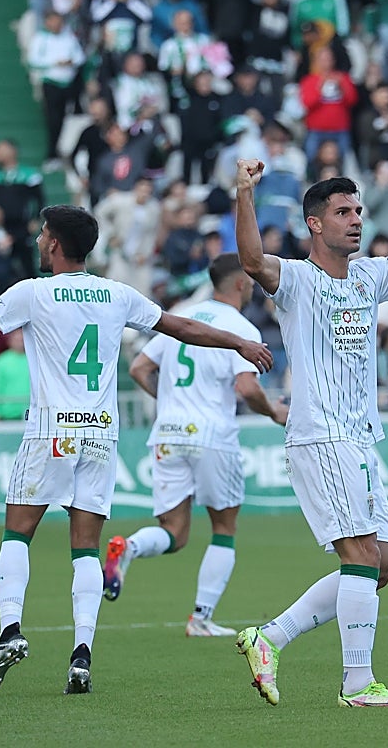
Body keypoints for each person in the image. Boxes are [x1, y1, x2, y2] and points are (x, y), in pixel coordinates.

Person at [0, 205, 272, 698]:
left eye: (41, 234)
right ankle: (81, 654)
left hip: (50, 430)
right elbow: (180, 328)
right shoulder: (116, 293)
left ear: (54, 243)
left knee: (18, 536)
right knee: (85, 549)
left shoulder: (33, 293)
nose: (38, 240)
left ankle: (10, 632)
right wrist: (238, 345)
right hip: (100, 433)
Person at [233, 156, 388, 708]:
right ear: (315, 224)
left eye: (359, 211)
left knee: (381, 565)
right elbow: (251, 259)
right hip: (321, 435)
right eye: (343, 212)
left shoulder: (373, 274)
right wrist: (244, 193)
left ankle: (268, 638)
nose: (356, 220)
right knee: (362, 558)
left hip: (361, 439)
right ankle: (357, 684)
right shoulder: (296, 279)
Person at [106, 253, 288, 636]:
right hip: (212, 436)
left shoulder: (183, 317)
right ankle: (201, 618)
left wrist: (170, 403)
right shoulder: (240, 328)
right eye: (251, 280)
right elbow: (246, 386)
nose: (254, 285)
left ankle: (130, 548)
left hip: (169, 432)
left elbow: (139, 368)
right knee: (224, 528)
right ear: (240, 283)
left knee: (175, 532)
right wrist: (273, 411)